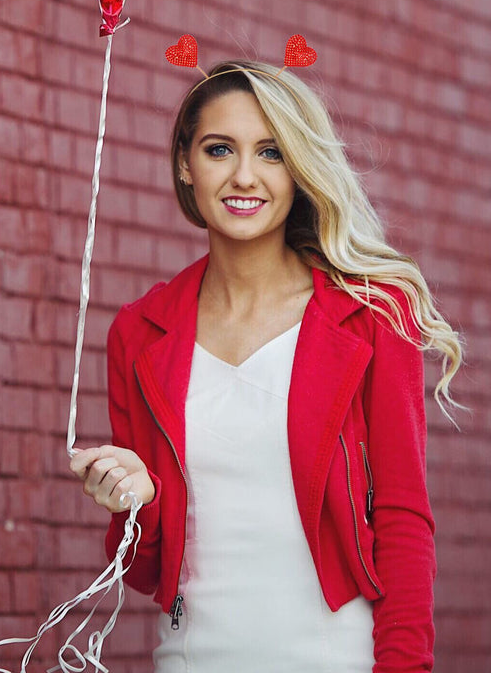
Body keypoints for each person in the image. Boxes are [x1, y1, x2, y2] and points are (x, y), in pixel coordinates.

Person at [70, 59, 462, 673]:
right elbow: (145, 567)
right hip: (190, 657)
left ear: (299, 169)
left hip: (338, 659)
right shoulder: (139, 333)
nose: (244, 176)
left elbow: (404, 519)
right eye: (219, 149)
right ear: (185, 163)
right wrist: (135, 500)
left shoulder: (373, 315)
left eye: (272, 153)